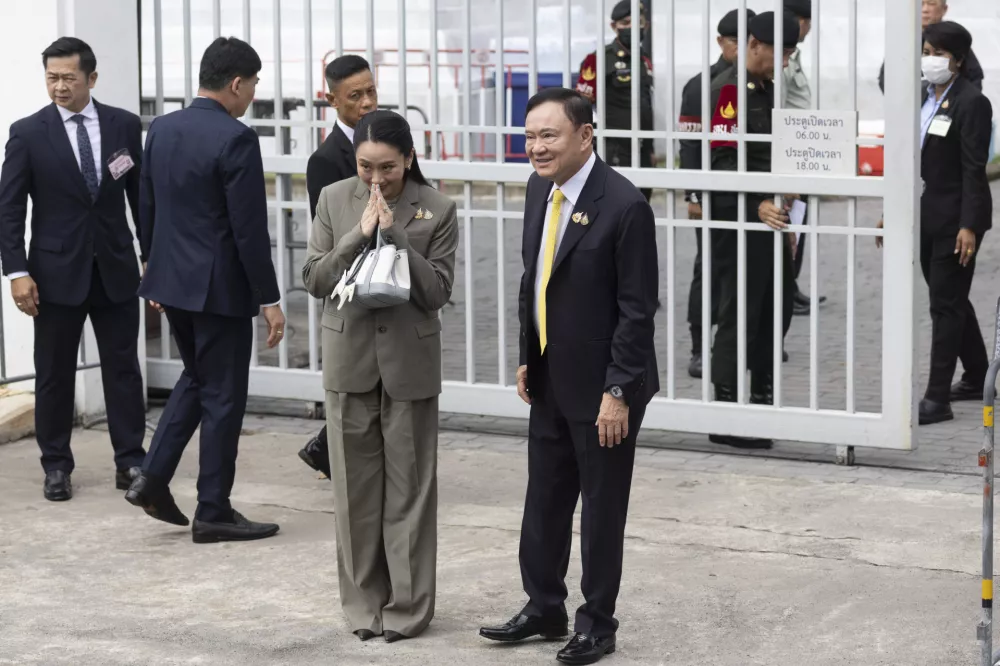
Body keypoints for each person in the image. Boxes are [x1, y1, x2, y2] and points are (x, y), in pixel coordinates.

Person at [478, 88, 658, 665]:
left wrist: (618, 391)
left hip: (604, 387)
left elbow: (637, 310)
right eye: (530, 136)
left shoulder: (624, 205)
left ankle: (597, 623)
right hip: (551, 375)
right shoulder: (541, 189)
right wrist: (528, 354)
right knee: (545, 500)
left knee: (601, 510)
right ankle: (544, 607)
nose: (536, 147)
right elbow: (536, 280)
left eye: (548, 135)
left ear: (585, 135)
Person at [302, 109, 458, 643]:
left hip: (409, 366)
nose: (376, 179)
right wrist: (358, 234)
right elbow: (315, 279)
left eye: (387, 167)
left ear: (409, 159)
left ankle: (408, 608)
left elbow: (437, 292)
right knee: (354, 493)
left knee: (410, 492)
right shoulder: (333, 199)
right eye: (366, 166)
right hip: (350, 362)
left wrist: (395, 237)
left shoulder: (437, 208)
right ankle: (363, 606)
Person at [124, 37, 286, 544]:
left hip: (172, 283)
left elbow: (147, 204)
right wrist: (270, 299)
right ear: (236, 83)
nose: (253, 94)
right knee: (223, 398)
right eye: (253, 84)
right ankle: (213, 509)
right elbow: (248, 230)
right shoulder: (237, 138)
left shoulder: (162, 128)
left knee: (197, 379)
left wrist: (154, 268)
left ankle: (151, 478)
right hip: (219, 291)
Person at [0, 37, 146, 502]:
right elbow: (9, 210)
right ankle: (57, 466)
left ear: (91, 78)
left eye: (68, 78)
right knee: (54, 373)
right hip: (53, 274)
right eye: (52, 78)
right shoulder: (28, 132)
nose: (59, 87)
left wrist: (152, 255)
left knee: (124, 369)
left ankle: (131, 461)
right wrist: (16, 271)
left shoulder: (124, 125)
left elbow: (140, 197)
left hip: (115, 268)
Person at [876, 22, 992, 425]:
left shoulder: (972, 102)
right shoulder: (922, 97)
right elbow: (911, 160)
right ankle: (979, 376)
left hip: (955, 221)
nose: (930, 59)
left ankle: (937, 398)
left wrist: (969, 225)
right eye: (926, 51)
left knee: (944, 305)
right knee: (950, 298)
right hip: (925, 215)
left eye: (939, 53)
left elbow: (974, 168)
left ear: (957, 60)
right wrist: (894, 207)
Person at [706, 12, 799, 449]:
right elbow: (721, 163)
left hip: (771, 220)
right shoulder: (729, 91)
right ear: (755, 45)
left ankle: (762, 403)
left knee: (774, 310)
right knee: (739, 313)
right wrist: (755, 202)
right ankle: (726, 413)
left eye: (791, 54)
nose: (785, 62)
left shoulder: (768, 91)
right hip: (740, 220)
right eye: (781, 53)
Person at [297, 54, 378, 480]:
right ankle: (330, 451)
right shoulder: (326, 160)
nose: (367, 103)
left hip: (394, 271)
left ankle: (327, 450)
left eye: (371, 91)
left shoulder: (390, 137)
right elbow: (329, 232)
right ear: (332, 100)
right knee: (356, 380)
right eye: (355, 96)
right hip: (353, 283)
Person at [678, 7, 755, 379]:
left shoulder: (761, 83)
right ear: (720, 42)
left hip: (750, 193)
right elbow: (690, 145)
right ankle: (699, 346)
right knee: (708, 269)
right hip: (713, 194)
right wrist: (694, 195)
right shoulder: (702, 85)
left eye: (747, 41)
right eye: (733, 41)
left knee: (748, 270)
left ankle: (742, 341)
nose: (740, 48)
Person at [575, 0, 654, 200]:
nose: (632, 28)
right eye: (625, 23)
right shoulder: (599, 59)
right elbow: (581, 107)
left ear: (646, 25)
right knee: (615, 204)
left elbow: (646, 105)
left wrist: (650, 148)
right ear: (614, 26)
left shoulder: (644, 59)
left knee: (641, 203)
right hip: (614, 148)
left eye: (637, 22)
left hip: (642, 148)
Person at [878, 0, 984, 94]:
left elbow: (974, 78)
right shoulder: (903, 40)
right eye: (920, 4)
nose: (925, 9)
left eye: (931, 3)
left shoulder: (953, 38)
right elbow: (886, 79)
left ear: (944, 9)